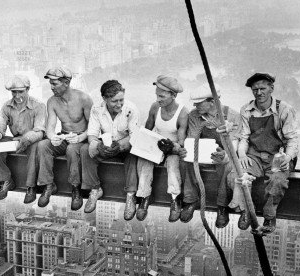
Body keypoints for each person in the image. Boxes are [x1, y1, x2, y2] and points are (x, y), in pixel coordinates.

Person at [225, 73, 298, 234]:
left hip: (277, 156)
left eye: (262, 88)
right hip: (255, 155)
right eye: (255, 89)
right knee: (236, 175)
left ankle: (269, 216)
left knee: (277, 181)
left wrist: (288, 157)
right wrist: (242, 154)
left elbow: (292, 139)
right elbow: (244, 137)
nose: (259, 93)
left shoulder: (284, 109)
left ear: (271, 88)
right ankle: (245, 211)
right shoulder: (247, 109)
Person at [179, 84, 241, 227]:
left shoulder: (232, 116)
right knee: (186, 160)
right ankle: (191, 200)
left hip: (224, 153)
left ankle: (222, 206)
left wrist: (224, 154)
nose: (195, 105)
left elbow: (234, 146)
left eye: (199, 103)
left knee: (226, 165)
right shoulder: (195, 115)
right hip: (202, 151)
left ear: (212, 102)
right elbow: (192, 138)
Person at [36, 66, 93, 209]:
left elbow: (93, 127)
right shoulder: (52, 101)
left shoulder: (84, 99)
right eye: (50, 83)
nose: (51, 87)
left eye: (54, 84)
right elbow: (50, 127)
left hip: (81, 138)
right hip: (64, 136)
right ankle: (49, 185)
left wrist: (81, 138)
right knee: (43, 145)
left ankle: (76, 189)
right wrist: (52, 137)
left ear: (66, 83)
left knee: (72, 150)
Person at [81, 80, 139, 218]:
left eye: (121, 100)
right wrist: (98, 145)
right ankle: (95, 189)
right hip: (106, 144)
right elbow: (92, 134)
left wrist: (120, 146)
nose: (119, 104)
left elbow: (134, 136)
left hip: (125, 145)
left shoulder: (131, 109)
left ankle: (131, 195)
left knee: (134, 154)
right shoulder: (96, 109)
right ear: (104, 99)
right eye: (114, 101)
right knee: (85, 150)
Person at [0, 74, 46, 203]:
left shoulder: (38, 105)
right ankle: (6, 179)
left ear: (28, 90)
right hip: (16, 140)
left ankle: (31, 186)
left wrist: (27, 139)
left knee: (35, 148)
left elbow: (40, 131)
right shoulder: (7, 106)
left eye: (21, 92)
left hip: (33, 139)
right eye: (14, 92)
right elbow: (0, 127)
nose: (17, 96)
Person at [136, 75, 188, 222]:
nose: (158, 99)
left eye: (162, 96)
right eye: (157, 95)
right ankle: (144, 196)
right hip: (156, 143)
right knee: (144, 160)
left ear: (173, 95)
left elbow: (182, 140)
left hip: (172, 147)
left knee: (172, 165)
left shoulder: (182, 113)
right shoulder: (155, 107)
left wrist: (172, 147)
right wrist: (144, 144)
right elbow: (147, 129)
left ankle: (175, 198)